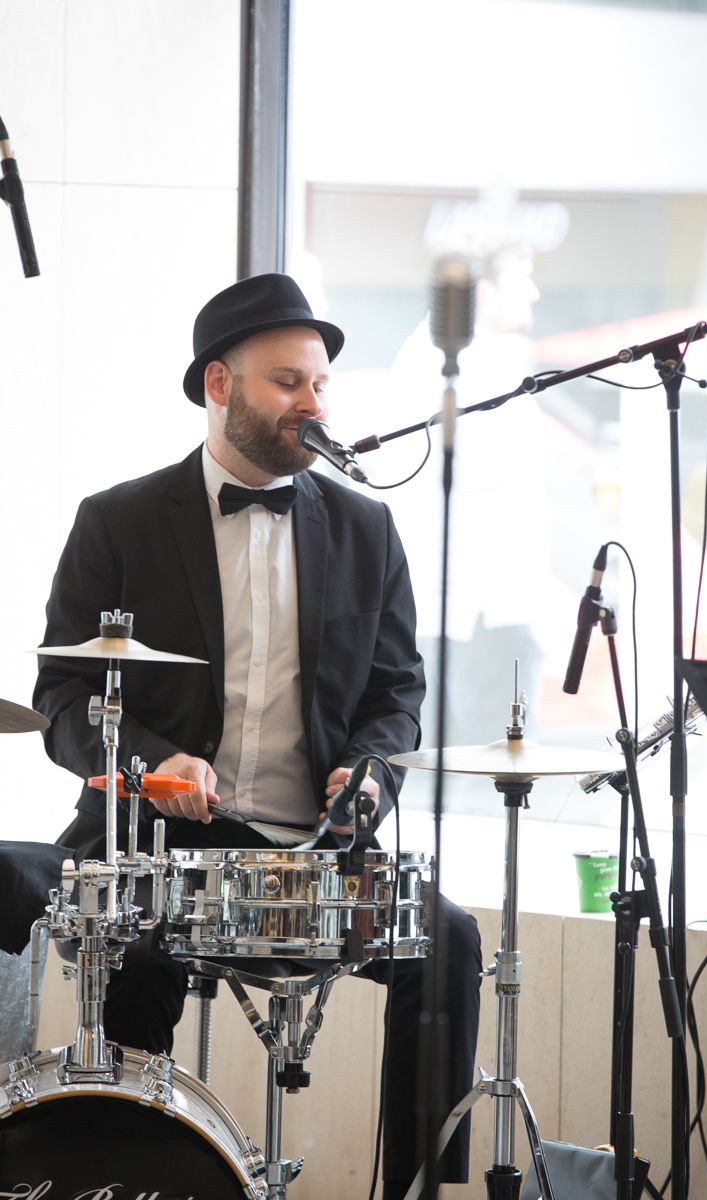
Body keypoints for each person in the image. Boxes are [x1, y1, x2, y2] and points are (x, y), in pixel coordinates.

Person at [33, 273, 482, 1199]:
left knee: (453, 943)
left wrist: (371, 775)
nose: (312, 405)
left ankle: (420, 1189)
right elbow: (63, 697)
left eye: (321, 385)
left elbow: (399, 695)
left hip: (318, 854)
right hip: (166, 842)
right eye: (288, 383)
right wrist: (151, 769)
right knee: (137, 949)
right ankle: (126, 1180)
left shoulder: (369, 527)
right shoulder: (116, 521)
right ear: (219, 386)